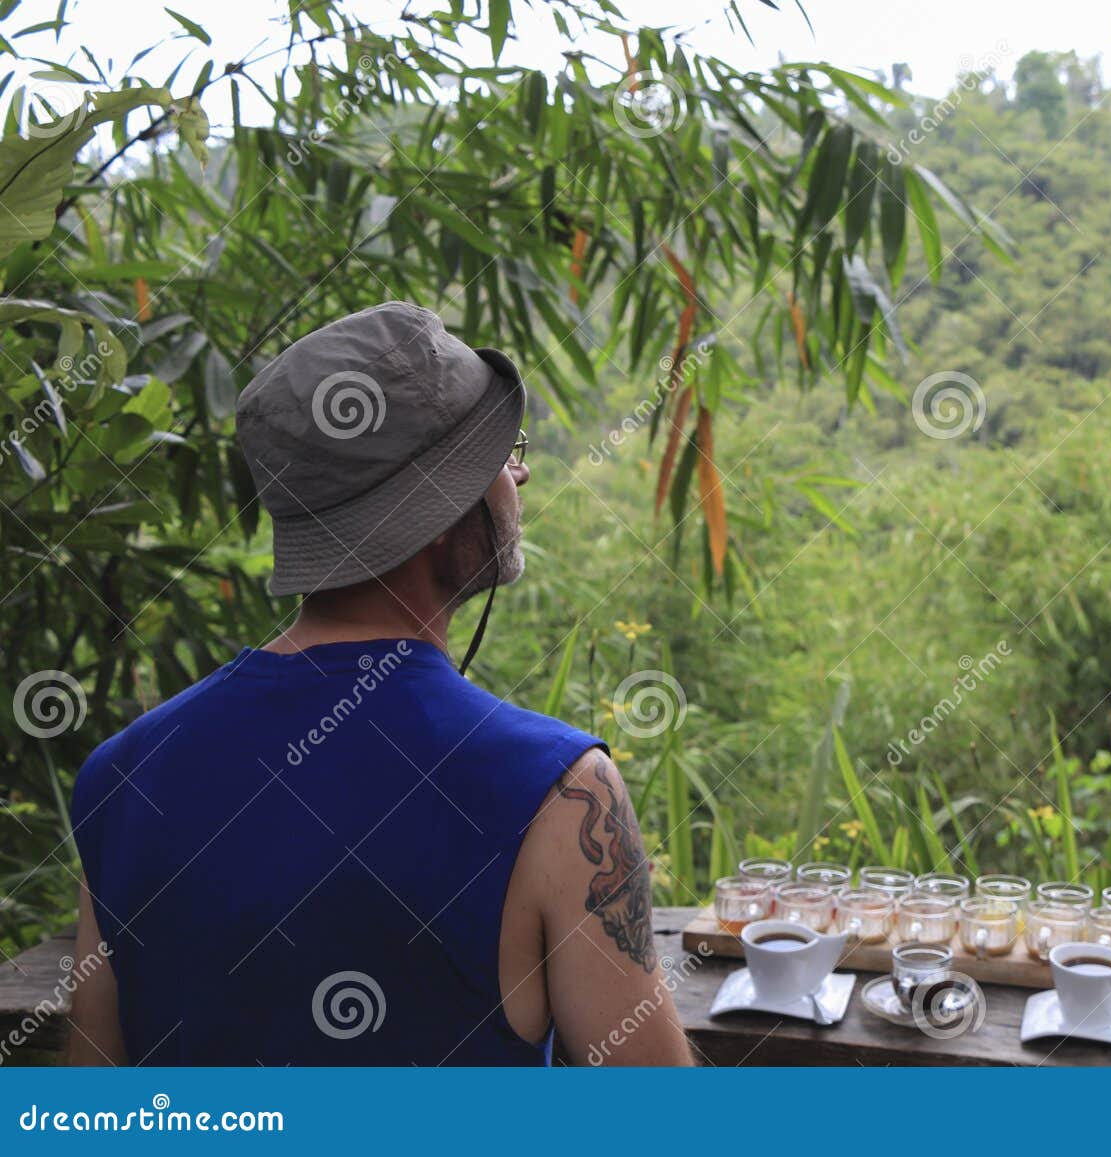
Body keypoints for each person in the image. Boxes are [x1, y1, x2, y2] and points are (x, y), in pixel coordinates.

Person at [67, 302, 692, 1066]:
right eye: (498, 457)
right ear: (440, 511)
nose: (519, 472)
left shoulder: (120, 776)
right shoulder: (562, 795)